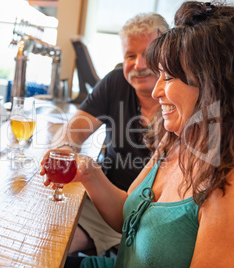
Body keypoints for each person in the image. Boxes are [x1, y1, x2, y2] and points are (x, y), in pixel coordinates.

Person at [41, 1, 234, 267]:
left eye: (167, 78)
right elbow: (128, 218)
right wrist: (89, 173)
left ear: (213, 83)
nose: (156, 92)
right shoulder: (177, 138)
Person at [48, 13, 169, 256]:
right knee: (49, 241)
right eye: (130, 56)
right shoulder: (116, 82)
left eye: (148, 55)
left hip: (151, 217)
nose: (139, 64)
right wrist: (65, 150)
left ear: (167, 56)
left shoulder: (178, 100)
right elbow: (73, 130)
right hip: (102, 205)